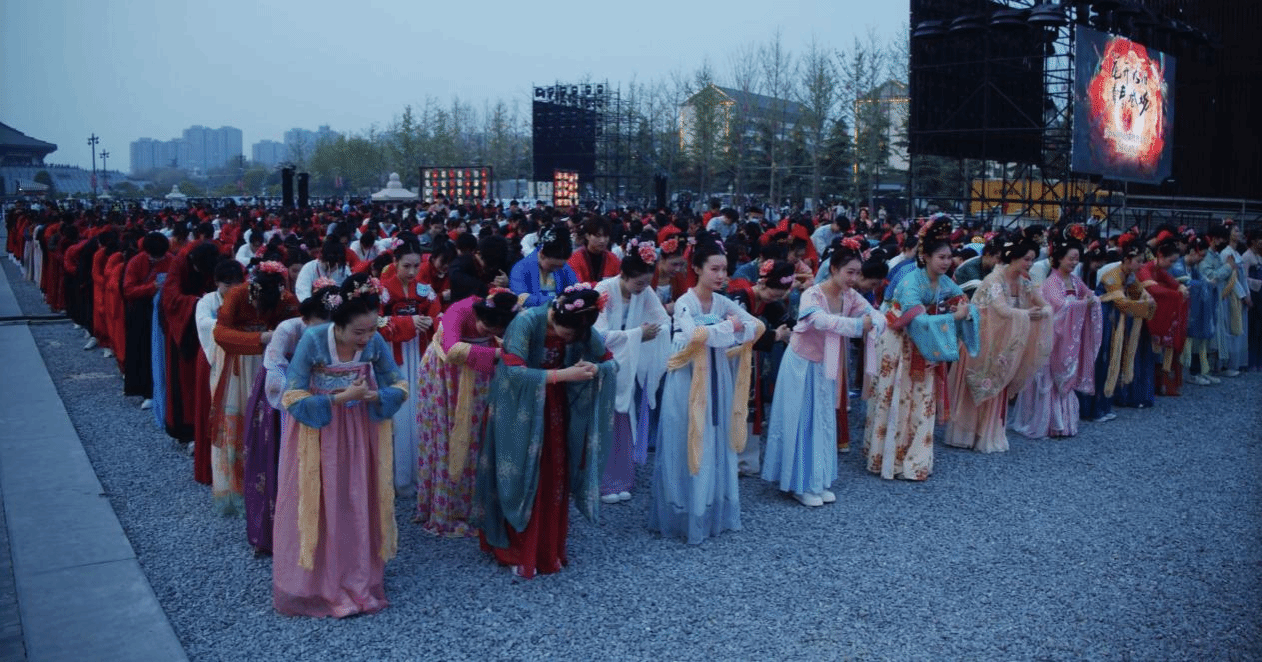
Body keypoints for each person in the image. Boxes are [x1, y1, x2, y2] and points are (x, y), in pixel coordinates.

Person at [273, 272, 408, 617]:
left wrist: (376, 395)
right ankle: (320, 584)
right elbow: (292, 394)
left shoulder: (374, 341)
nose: (366, 339)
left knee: (356, 498)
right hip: (319, 429)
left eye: (372, 330)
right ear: (338, 324)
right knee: (323, 499)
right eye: (358, 332)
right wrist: (337, 399)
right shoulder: (313, 339)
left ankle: (359, 579)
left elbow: (398, 384)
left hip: (360, 428)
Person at [474, 285, 616, 577]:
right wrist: (564, 374)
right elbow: (513, 372)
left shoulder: (579, 323)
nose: (569, 340)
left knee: (552, 477)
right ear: (558, 316)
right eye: (566, 335)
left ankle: (547, 550)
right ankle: (514, 551)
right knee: (518, 474)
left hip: (553, 410)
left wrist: (594, 369)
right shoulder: (526, 322)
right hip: (515, 409)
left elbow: (609, 362)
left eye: (574, 337)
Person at [648, 235, 762, 543]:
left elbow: (755, 326)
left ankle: (709, 506)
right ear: (697, 269)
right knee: (685, 435)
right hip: (687, 378)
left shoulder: (723, 302)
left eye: (725, 269)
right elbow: (695, 334)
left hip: (716, 377)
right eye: (715, 269)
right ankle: (684, 509)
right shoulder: (685, 302)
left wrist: (723, 328)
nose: (721, 275)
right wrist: (730, 327)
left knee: (715, 435)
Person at [762, 239, 882, 505]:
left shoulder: (850, 296)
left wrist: (872, 320)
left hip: (826, 364)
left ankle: (818, 479)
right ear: (834, 269)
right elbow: (819, 320)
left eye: (857, 273)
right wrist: (858, 325)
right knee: (802, 421)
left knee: (823, 420)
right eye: (849, 272)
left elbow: (875, 314)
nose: (853, 278)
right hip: (802, 364)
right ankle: (798, 483)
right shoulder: (812, 294)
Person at [863, 219, 979, 480]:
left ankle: (916, 460)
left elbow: (963, 302)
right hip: (899, 345)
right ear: (925, 256)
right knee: (897, 398)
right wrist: (953, 317)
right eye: (941, 257)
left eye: (949, 257)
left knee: (923, 400)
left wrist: (965, 310)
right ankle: (890, 459)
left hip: (925, 347)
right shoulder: (910, 282)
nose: (947, 262)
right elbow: (917, 322)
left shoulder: (945, 282)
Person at [414, 289, 519, 537]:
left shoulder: (503, 320)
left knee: (478, 437)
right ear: (480, 315)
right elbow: (451, 349)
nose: (489, 333)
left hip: (480, 376)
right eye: (487, 327)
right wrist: (498, 354)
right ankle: (448, 508)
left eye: (497, 330)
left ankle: (475, 506)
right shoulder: (460, 310)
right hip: (447, 377)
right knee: (448, 435)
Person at [244, 282, 336, 554]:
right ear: (305, 319)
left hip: (319, 398)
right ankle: (275, 535)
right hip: (280, 402)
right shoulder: (287, 330)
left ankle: (320, 534)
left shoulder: (336, 332)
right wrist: (300, 397)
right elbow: (274, 370)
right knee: (277, 461)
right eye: (317, 326)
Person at [945, 237, 1052, 453]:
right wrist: (1027, 314)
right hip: (980, 340)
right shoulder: (994, 280)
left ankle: (988, 434)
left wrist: (1043, 312)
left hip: (1002, 341)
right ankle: (965, 434)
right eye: (1026, 259)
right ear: (1013, 258)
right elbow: (1002, 310)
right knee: (978, 383)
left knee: (998, 381)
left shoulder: (1024, 282)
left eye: (1032, 260)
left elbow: (1045, 305)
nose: (1030, 264)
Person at [211, 262, 300, 517]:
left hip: (274, 364)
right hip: (241, 363)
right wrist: (259, 338)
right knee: (240, 423)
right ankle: (237, 490)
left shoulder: (287, 299)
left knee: (270, 424)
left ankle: (273, 485)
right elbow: (220, 333)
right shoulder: (237, 295)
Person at [593, 239, 670, 504]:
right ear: (623, 275)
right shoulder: (603, 290)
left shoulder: (644, 293)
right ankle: (602, 481)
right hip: (603, 366)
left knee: (624, 421)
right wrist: (638, 334)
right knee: (604, 423)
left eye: (647, 283)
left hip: (629, 366)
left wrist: (645, 334)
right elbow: (599, 335)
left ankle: (622, 479)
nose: (643, 288)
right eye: (638, 283)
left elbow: (663, 321)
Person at [1011, 231, 1102, 438]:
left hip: (1067, 338)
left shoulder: (1075, 280)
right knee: (1050, 378)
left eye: (1077, 259)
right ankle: (1050, 424)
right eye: (1071, 258)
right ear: (1059, 258)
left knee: (1061, 378)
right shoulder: (1052, 282)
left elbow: (1089, 295)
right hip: (1052, 338)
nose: (1074, 263)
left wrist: (1092, 300)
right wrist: (1084, 303)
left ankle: (1062, 424)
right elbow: (1060, 307)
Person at [376, 241, 440, 497]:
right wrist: (408, 322)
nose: (412, 272)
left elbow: (438, 317)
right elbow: (375, 321)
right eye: (406, 266)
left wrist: (428, 322)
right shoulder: (382, 291)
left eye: (416, 266)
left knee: (419, 410)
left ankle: (420, 474)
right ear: (394, 263)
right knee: (399, 413)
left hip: (419, 352)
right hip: (393, 354)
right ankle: (398, 478)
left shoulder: (425, 290)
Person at [1080, 234, 1157, 416]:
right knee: (1102, 361)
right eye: (1138, 261)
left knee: (1110, 361)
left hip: (1114, 322)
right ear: (1127, 260)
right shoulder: (1112, 276)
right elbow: (1122, 304)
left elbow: (1138, 291)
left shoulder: (1129, 275)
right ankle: (1094, 409)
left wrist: (1147, 298)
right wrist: (1145, 304)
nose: (1141, 265)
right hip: (1103, 321)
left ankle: (1105, 404)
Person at [193, 259, 246, 484]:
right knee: (210, 407)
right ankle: (209, 468)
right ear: (216, 283)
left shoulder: (246, 298)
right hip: (212, 357)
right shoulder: (207, 301)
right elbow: (204, 323)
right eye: (227, 284)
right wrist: (229, 326)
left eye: (236, 284)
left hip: (240, 357)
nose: (232, 289)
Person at [122, 232, 171, 409]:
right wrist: (151, 287)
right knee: (143, 352)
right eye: (154, 257)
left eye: (161, 256)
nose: (158, 260)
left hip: (165, 310)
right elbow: (128, 290)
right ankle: (147, 392)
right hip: (142, 311)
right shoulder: (136, 262)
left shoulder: (171, 260)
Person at [1138, 241, 1190, 397]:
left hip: (1151, 314)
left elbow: (1172, 282)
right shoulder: (1146, 269)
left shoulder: (1158, 269)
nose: (1171, 265)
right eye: (1171, 261)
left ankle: (1157, 384)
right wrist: (1177, 293)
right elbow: (1154, 289)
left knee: (1157, 350)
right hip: (1140, 315)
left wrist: (1180, 287)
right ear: (1160, 256)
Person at [509, 225, 578, 307]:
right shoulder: (520, 268)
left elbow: (575, 287)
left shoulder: (564, 267)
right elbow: (520, 298)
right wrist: (556, 300)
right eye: (553, 266)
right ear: (542, 255)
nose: (556, 269)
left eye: (560, 266)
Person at [294, 236, 352, 302]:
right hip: (313, 305)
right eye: (330, 262)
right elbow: (303, 293)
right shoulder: (309, 267)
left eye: (337, 263)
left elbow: (350, 291)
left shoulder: (344, 269)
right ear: (321, 256)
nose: (334, 265)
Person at [568, 216, 621, 285]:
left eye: (605, 236)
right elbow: (576, 285)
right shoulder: (575, 259)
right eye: (598, 236)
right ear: (587, 236)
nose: (602, 240)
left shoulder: (613, 259)